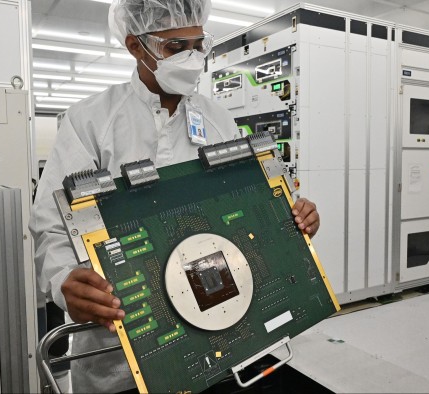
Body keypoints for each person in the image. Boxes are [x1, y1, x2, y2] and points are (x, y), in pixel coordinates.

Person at [30, 0, 321, 392]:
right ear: (136, 46)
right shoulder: (90, 121)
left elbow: (249, 203)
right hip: (122, 344)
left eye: (198, 45)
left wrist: (291, 215)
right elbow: (51, 222)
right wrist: (65, 279)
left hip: (220, 326)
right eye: (175, 47)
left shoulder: (219, 119)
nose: (192, 57)